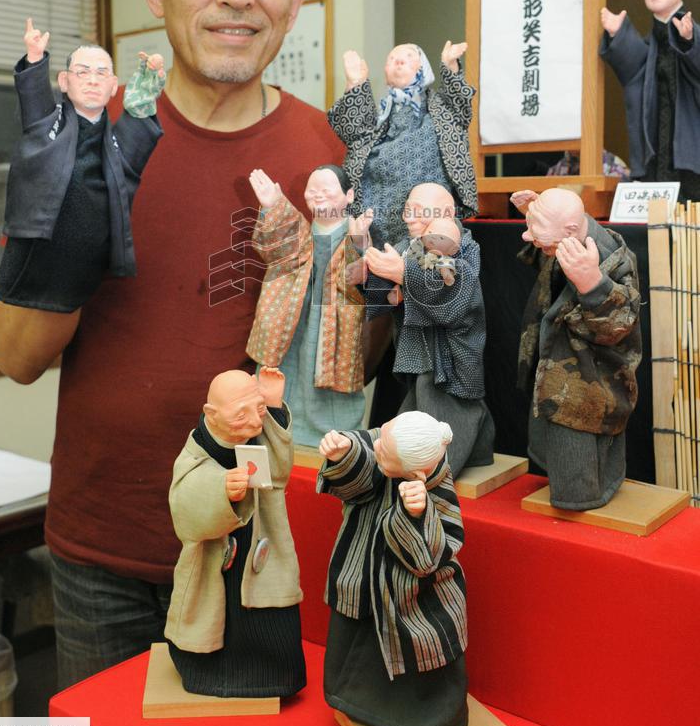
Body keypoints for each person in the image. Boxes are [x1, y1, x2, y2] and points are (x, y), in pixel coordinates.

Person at [39, 0, 344, 689]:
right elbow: (18, 349)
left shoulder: (333, 156)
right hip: (103, 545)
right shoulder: (85, 149)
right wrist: (71, 218)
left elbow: (360, 352)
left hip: (266, 544)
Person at [0, 21, 164, 384]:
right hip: (37, 238)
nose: (93, 79)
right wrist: (35, 58)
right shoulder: (46, 126)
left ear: (114, 87)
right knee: (11, 302)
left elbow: (137, 134)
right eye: (82, 72)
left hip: (83, 258)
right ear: (64, 82)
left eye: (102, 73)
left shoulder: (115, 143)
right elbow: (33, 100)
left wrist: (144, 97)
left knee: (45, 331)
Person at [317, 412, 468, 726]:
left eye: (383, 447)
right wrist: (345, 452)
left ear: (414, 473)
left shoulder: (434, 486)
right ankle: (354, 701)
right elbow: (365, 464)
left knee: (419, 644)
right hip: (361, 573)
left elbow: (433, 555)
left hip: (411, 594)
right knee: (355, 638)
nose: (376, 445)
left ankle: (422, 717)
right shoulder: (390, 446)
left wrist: (417, 515)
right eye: (381, 437)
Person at [166, 366, 305, 698]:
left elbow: (280, 473)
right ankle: (209, 674)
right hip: (214, 552)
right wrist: (220, 488)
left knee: (267, 614)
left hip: (261, 542)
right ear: (211, 415)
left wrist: (271, 407)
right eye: (242, 414)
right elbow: (183, 506)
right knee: (213, 615)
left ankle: (272, 677)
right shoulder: (197, 449)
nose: (255, 422)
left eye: (257, 410)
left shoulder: (259, 431)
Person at [510, 187, 642, 510]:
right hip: (557, 364)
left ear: (569, 228)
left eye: (535, 229)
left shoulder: (612, 255)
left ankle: (581, 497)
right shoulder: (566, 236)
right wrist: (535, 212)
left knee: (577, 440)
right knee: (552, 432)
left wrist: (592, 285)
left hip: (589, 375)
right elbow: (540, 246)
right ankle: (573, 486)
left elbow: (620, 325)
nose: (528, 236)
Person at [364, 182, 495, 478]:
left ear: (446, 214)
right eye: (407, 210)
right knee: (427, 406)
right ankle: (474, 450)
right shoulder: (409, 245)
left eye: (419, 212)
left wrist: (401, 274)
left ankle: (435, 469)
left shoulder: (461, 245)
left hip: (449, 353)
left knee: (447, 407)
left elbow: (457, 296)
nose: (409, 218)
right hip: (418, 350)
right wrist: (372, 271)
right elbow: (380, 290)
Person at [246, 166, 368, 447]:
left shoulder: (355, 230)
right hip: (292, 316)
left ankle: (332, 435)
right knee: (284, 373)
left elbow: (358, 280)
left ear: (349, 195)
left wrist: (358, 242)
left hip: (335, 323)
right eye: (313, 191)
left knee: (330, 378)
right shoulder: (299, 227)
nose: (319, 196)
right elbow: (275, 252)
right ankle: (276, 429)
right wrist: (273, 207)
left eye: (327, 191)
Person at [328, 40, 478, 249]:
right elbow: (353, 132)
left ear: (422, 67)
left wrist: (450, 66)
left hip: (426, 214)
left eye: (408, 57)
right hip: (378, 211)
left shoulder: (442, 108)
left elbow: (460, 103)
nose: (398, 60)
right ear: (385, 71)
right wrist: (355, 83)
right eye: (392, 59)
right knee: (374, 268)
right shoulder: (381, 113)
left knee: (424, 265)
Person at [600, 0, 700, 200]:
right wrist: (618, 34)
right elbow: (636, 70)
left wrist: (689, 41)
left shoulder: (692, 35)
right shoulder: (650, 46)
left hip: (691, 154)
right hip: (655, 156)